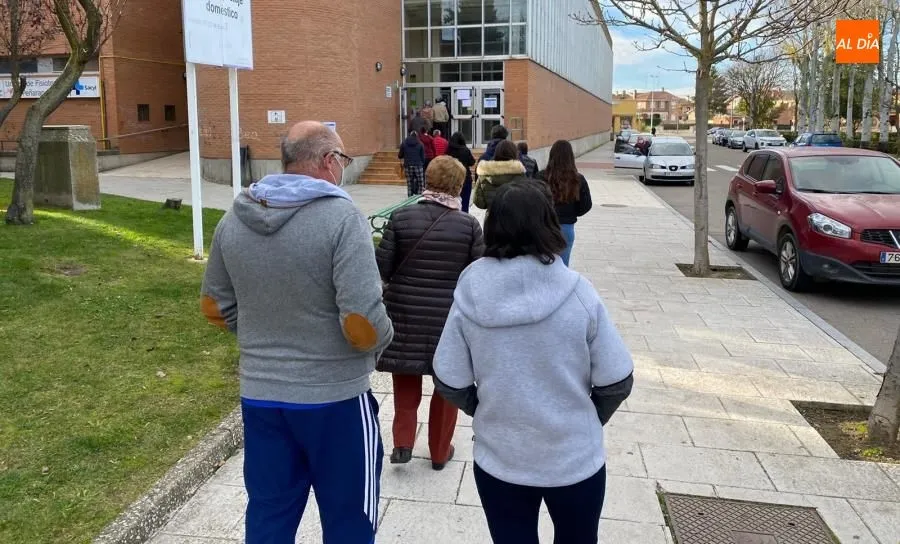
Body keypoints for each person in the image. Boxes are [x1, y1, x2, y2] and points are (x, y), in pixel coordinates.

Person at [201, 121, 394, 544]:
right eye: (342, 160)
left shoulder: (233, 219)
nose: (342, 167)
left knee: (269, 514)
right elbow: (362, 319)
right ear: (328, 161)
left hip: (261, 397)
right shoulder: (343, 217)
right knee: (350, 519)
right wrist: (383, 340)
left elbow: (214, 306)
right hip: (335, 399)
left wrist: (261, 335)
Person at [432, 180, 634, 544]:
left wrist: (483, 408)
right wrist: (585, 417)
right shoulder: (579, 292)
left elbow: (449, 379)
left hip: (501, 456)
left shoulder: (469, 293)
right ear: (549, 223)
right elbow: (617, 380)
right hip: (574, 460)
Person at [376, 155, 485, 471]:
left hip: (404, 314)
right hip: (447, 320)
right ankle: (439, 451)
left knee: (406, 378)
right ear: (459, 186)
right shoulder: (468, 226)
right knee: (447, 386)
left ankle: (403, 442)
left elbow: (383, 268)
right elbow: (476, 278)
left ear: (428, 180)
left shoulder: (401, 218)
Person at [540, 140, 593, 267]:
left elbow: (531, 202)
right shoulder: (578, 179)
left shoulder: (541, 177)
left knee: (542, 267)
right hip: (566, 228)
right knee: (563, 267)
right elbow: (586, 205)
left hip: (543, 227)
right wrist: (573, 211)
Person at [472, 139, 527, 210]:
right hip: (515, 217)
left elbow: (478, 202)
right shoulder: (520, 174)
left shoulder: (485, 174)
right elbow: (525, 199)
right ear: (514, 153)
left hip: (492, 217)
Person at [446, 131, 476, 213]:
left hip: (452, 178)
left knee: (452, 202)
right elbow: (472, 162)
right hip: (465, 178)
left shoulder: (449, 150)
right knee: (465, 203)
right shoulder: (465, 150)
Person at [399, 130, 426, 197]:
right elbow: (423, 156)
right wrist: (422, 163)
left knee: (409, 183)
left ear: (410, 135)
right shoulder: (420, 143)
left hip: (408, 165)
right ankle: (419, 197)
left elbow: (400, 155)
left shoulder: (404, 143)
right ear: (417, 136)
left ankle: (410, 197)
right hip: (418, 165)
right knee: (420, 183)